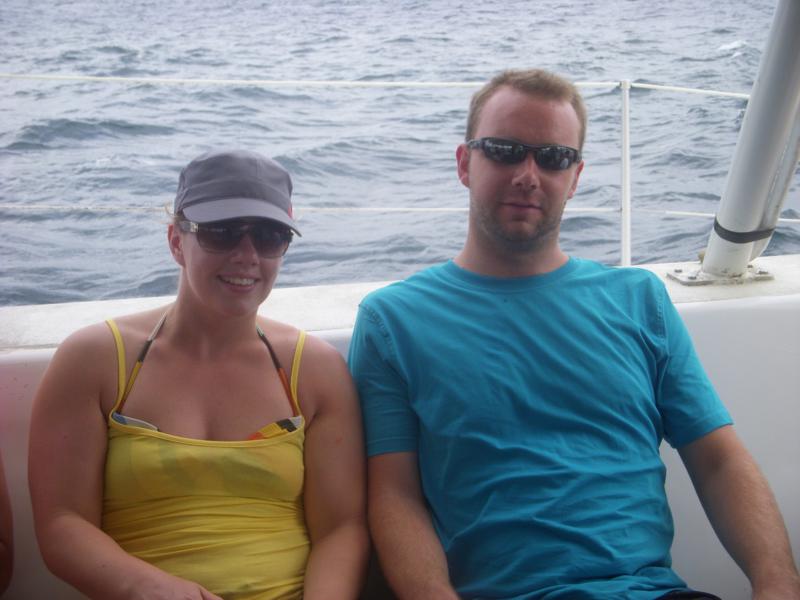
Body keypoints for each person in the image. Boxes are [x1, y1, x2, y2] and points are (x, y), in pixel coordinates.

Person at [348, 69, 800, 599]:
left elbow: (717, 459)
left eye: (554, 158)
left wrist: (777, 582)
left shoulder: (639, 301)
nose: (528, 175)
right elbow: (394, 495)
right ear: (465, 163)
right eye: (504, 151)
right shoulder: (393, 321)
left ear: (576, 176)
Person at [29, 149, 368, 599]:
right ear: (176, 241)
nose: (247, 255)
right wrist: (150, 588)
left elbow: (340, 528)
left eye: (269, 236)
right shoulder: (93, 360)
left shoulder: (315, 371)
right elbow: (62, 523)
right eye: (221, 233)